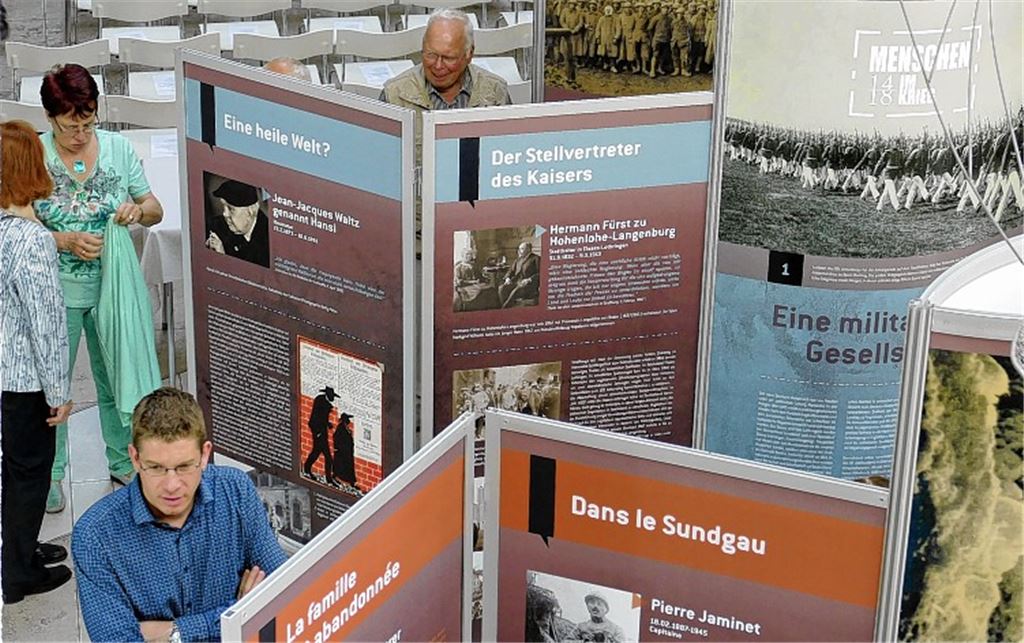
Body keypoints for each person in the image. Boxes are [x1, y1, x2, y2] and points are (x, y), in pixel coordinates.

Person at [34, 63, 164, 512]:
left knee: (116, 377)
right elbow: (13, 228)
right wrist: (64, 240)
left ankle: (119, 457)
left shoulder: (117, 148)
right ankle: (49, 474)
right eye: (71, 126)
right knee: (54, 389)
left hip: (112, 288)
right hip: (55, 290)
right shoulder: (34, 157)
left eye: (88, 123)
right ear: (50, 119)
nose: (81, 135)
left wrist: (135, 211)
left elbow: (155, 208)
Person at [72, 387, 287, 642]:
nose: (172, 485)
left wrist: (172, 632)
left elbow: (283, 590)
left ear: (205, 454)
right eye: (156, 468)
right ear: (135, 458)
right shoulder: (95, 536)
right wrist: (236, 615)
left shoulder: (235, 490)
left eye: (184, 466)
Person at [1, 119, 75, 603]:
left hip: (4, 374)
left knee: (15, 472)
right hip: (26, 382)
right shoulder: (32, 241)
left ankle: (22, 551)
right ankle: (18, 574)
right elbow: (47, 327)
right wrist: (60, 393)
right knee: (30, 476)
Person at [381, 8, 511, 119]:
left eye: (449, 58)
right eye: (431, 55)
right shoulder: (394, 95)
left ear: (469, 54)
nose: (438, 66)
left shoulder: (495, 93)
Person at [205, 178, 270, 268]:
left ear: (251, 210)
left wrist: (222, 258)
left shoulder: (269, 240)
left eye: (231, 209)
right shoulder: (216, 226)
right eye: (223, 206)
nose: (225, 214)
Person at [303, 385, 336, 483]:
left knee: (316, 452)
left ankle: (307, 468)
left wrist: (327, 424)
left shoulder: (324, 402)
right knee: (327, 456)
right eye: (331, 396)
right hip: (318, 432)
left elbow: (322, 418)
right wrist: (317, 432)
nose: (332, 398)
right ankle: (328, 479)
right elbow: (316, 417)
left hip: (322, 432)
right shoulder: (320, 401)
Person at [499, 241, 541, 308]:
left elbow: (540, 273)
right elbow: (511, 271)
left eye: (522, 249)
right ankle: (506, 308)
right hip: (516, 282)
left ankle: (504, 308)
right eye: (519, 249)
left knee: (515, 291)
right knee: (501, 288)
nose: (519, 251)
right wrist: (507, 278)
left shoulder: (536, 258)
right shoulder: (518, 260)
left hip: (529, 285)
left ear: (528, 249)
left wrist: (529, 279)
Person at [331, 412, 357, 489]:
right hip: (342, 452)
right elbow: (336, 438)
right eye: (347, 419)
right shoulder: (341, 428)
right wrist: (338, 448)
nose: (349, 421)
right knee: (341, 465)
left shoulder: (346, 427)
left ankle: (351, 482)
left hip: (347, 452)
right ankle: (336, 477)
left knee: (348, 466)